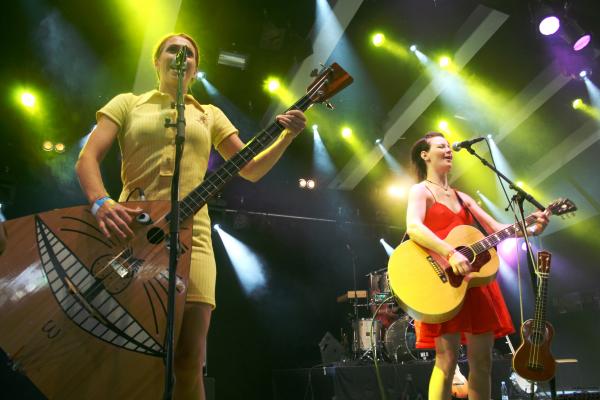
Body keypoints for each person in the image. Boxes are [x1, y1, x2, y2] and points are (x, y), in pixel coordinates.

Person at [75, 33, 306, 400]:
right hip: (135, 232)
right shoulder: (128, 103)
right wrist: (101, 201)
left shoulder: (209, 114)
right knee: (130, 350)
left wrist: (286, 138)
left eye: (189, 53)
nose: (181, 56)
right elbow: (87, 158)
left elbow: (250, 168)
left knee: (189, 357)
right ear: (157, 61)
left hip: (193, 236)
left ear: (196, 69)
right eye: (173, 50)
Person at [405, 132, 549, 400]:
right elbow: (413, 227)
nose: (448, 150)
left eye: (449, 146)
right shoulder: (420, 190)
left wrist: (530, 227)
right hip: (443, 283)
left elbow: (497, 229)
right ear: (425, 155)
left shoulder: (462, 196)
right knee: (446, 363)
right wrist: (450, 253)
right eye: (440, 146)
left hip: (475, 283)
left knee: (483, 363)